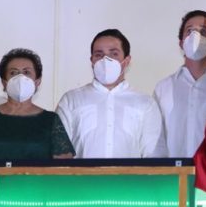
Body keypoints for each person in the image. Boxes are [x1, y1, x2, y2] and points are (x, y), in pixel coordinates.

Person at [57, 29, 167, 158]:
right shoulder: (71, 100)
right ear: (92, 61)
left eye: (114, 54)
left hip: (129, 178)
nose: (105, 60)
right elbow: (60, 154)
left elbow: (154, 156)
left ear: (126, 61)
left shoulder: (145, 103)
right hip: (82, 178)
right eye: (99, 54)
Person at [0, 48, 75, 159]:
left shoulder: (51, 120)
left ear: (37, 81)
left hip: (36, 179)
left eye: (26, 72)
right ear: (4, 82)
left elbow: (64, 166)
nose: (20, 78)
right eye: (13, 72)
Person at [154, 10, 206, 157]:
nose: (195, 37)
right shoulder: (163, 88)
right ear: (181, 43)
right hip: (175, 177)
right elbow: (157, 142)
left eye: (203, 32)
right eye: (190, 31)